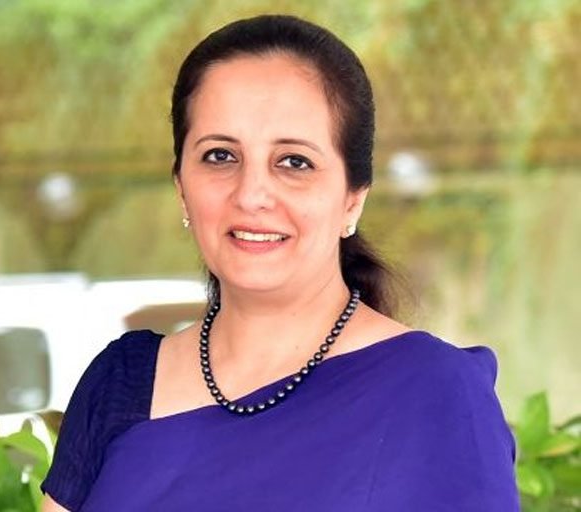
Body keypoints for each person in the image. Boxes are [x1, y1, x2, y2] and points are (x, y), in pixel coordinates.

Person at [40, 14, 519, 511]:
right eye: (220, 156)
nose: (251, 195)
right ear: (182, 187)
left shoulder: (436, 393)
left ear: (353, 199)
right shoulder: (120, 384)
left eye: (294, 162)